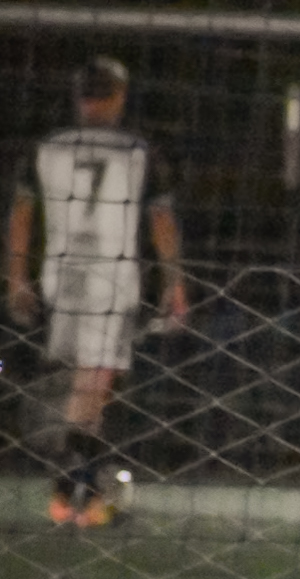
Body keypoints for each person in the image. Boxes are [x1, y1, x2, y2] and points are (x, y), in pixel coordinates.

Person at [6, 56, 187, 527]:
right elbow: (161, 220)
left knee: (87, 385)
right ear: (120, 96)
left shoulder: (48, 148)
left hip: (61, 276)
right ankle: (73, 495)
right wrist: (174, 282)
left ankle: (83, 489)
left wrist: (17, 277)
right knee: (94, 385)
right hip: (111, 278)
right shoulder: (138, 151)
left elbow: (21, 215)